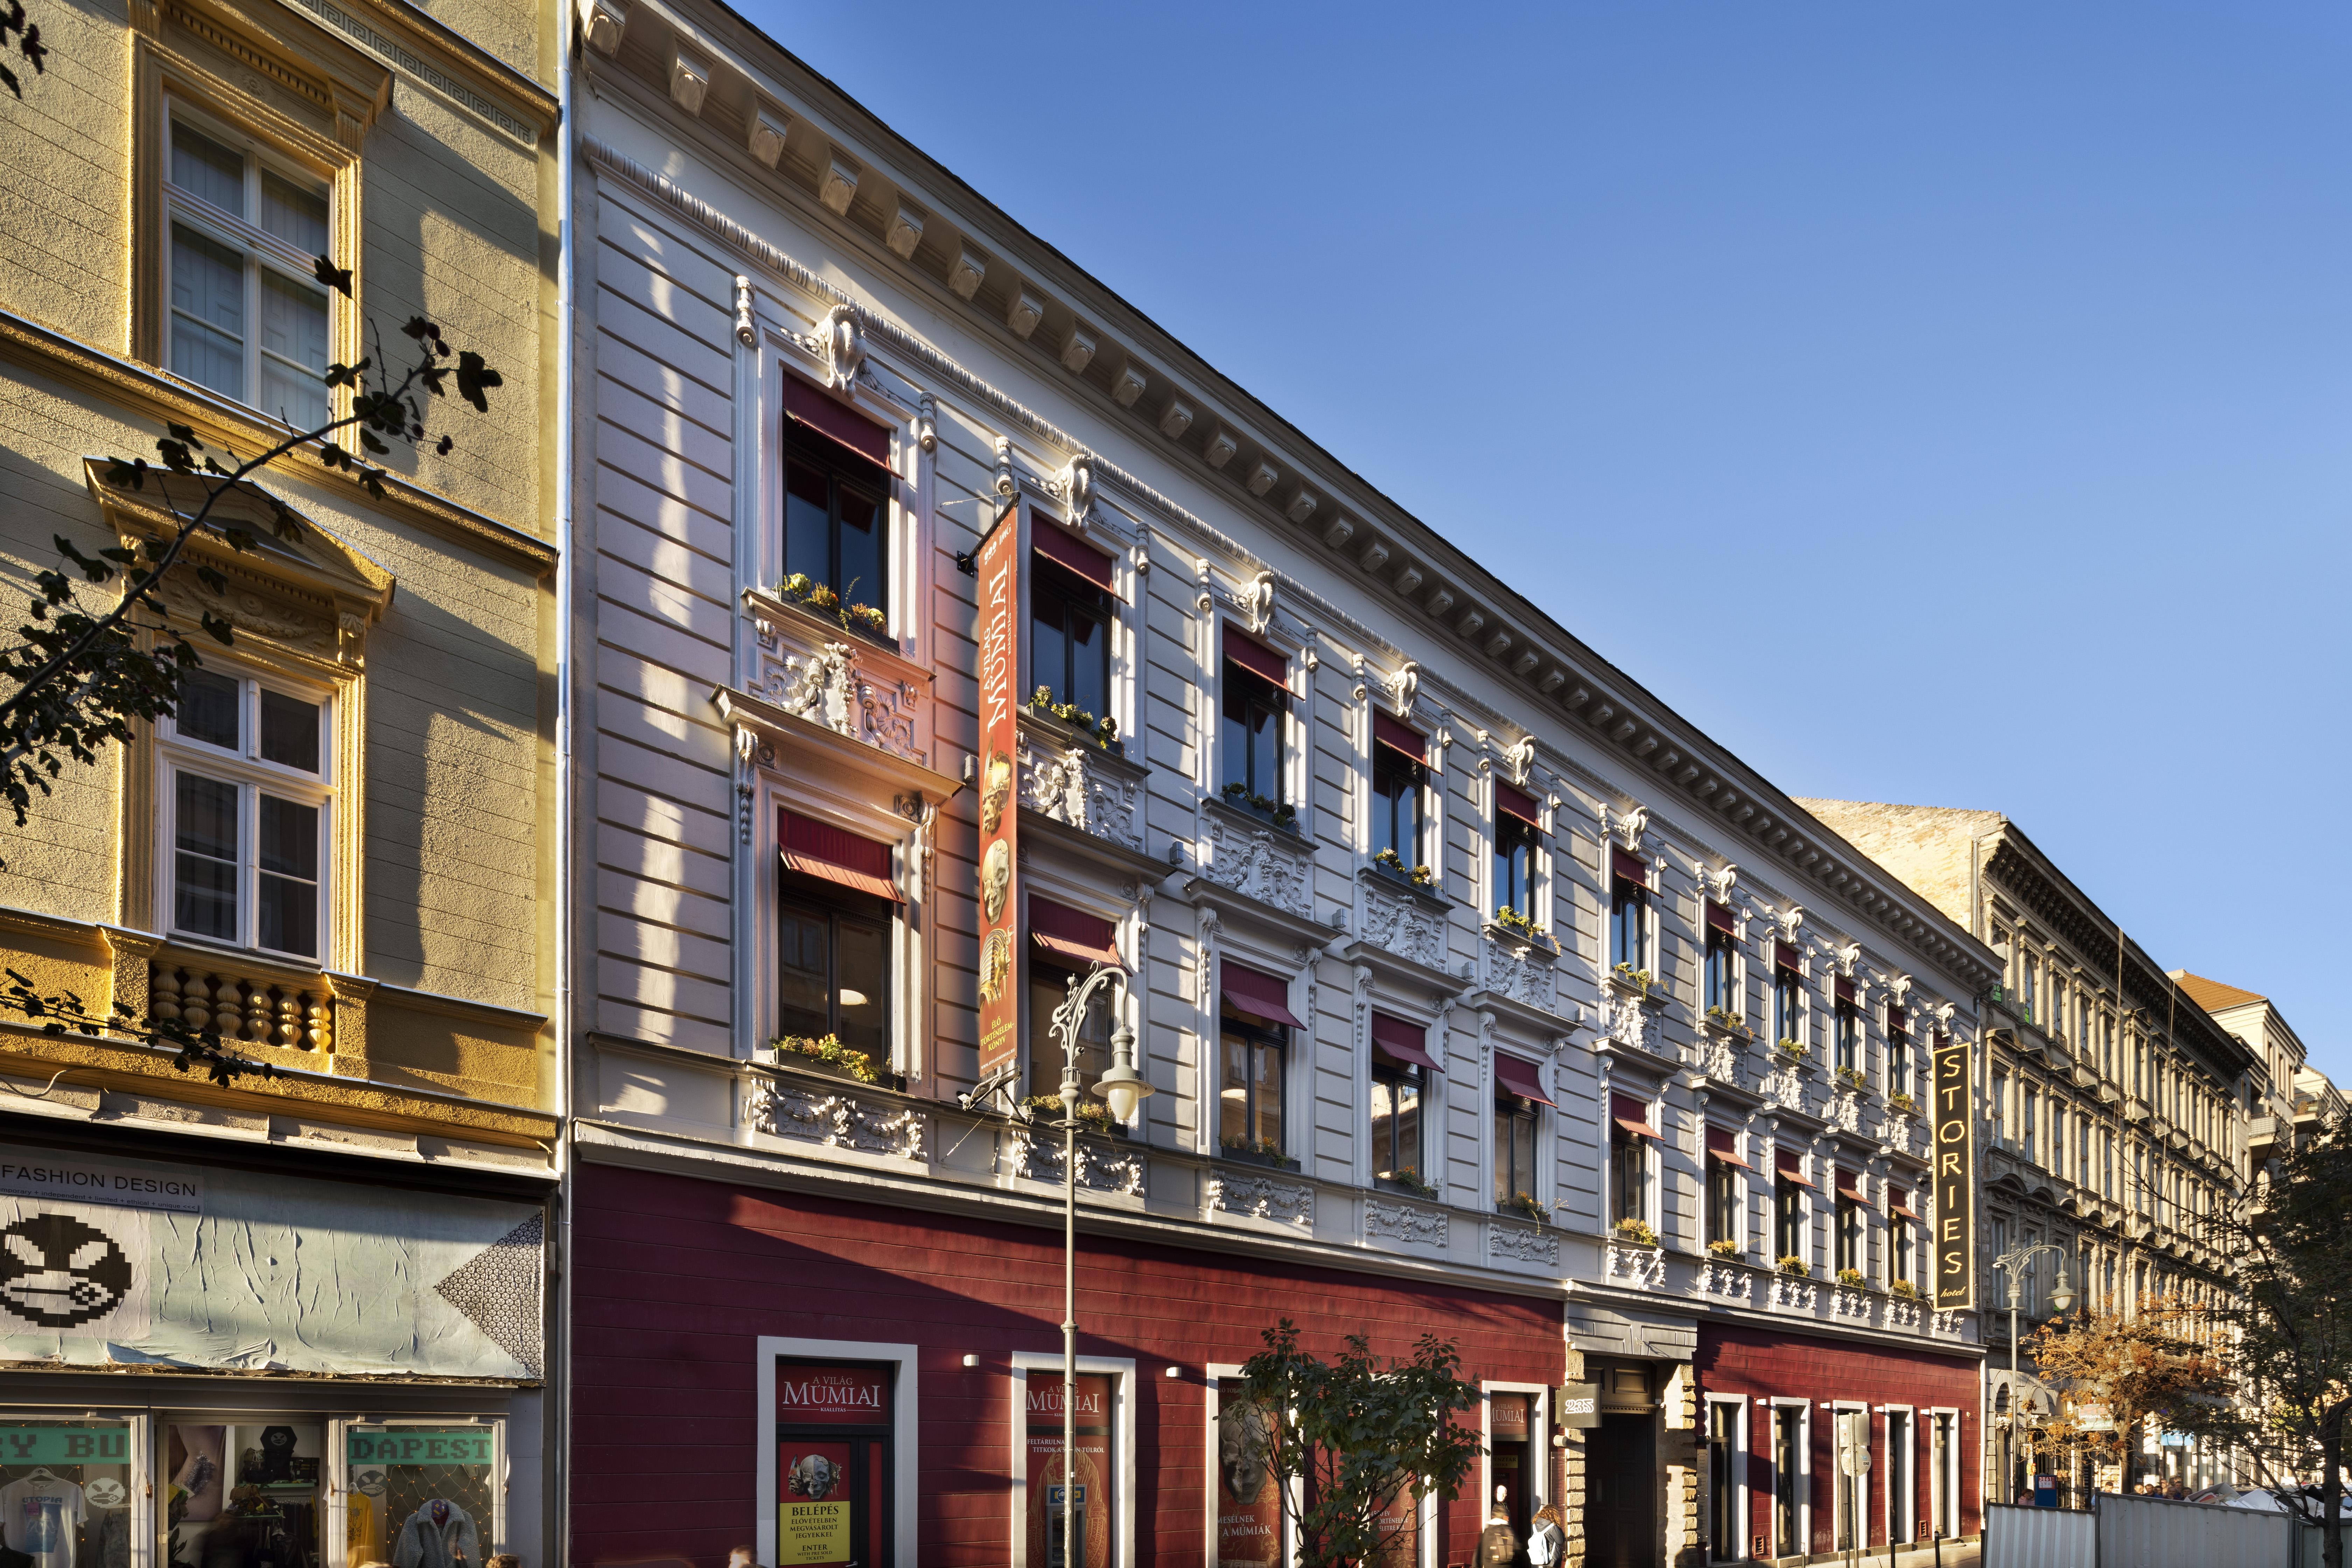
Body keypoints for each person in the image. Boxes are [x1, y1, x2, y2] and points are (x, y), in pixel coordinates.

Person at [1476, 1488, 1518, 1568]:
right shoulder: (1495, 1506)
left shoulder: (1506, 1505)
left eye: (1504, 1494)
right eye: (1500, 1494)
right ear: (1495, 1494)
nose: (1503, 1496)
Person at [1526, 1504, 1565, 1568]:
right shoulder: (1552, 1527)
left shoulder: (1536, 1525)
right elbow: (1561, 1541)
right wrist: (1558, 1528)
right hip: (1553, 1560)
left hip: (1542, 1558)